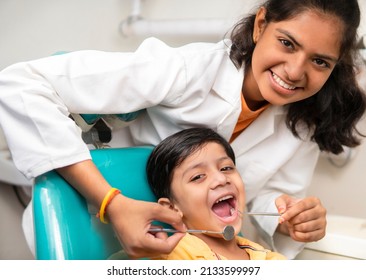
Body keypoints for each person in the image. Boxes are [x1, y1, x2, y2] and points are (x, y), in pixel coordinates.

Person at [0, 0, 364, 259]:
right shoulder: (187, 70)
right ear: (260, 24)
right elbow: (19, 83)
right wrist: (112, 204)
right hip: (96, 220)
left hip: (192, 251)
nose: (296, 71)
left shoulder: (304, 122)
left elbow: (267, 196)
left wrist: (289, 218)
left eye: (319, 61)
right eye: (287, 43)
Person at [146, 127, 286, 260]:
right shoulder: (173, 258)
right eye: (198, 176)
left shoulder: (273, 259)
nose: (221, 179)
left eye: (226, 168)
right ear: (171, 208)